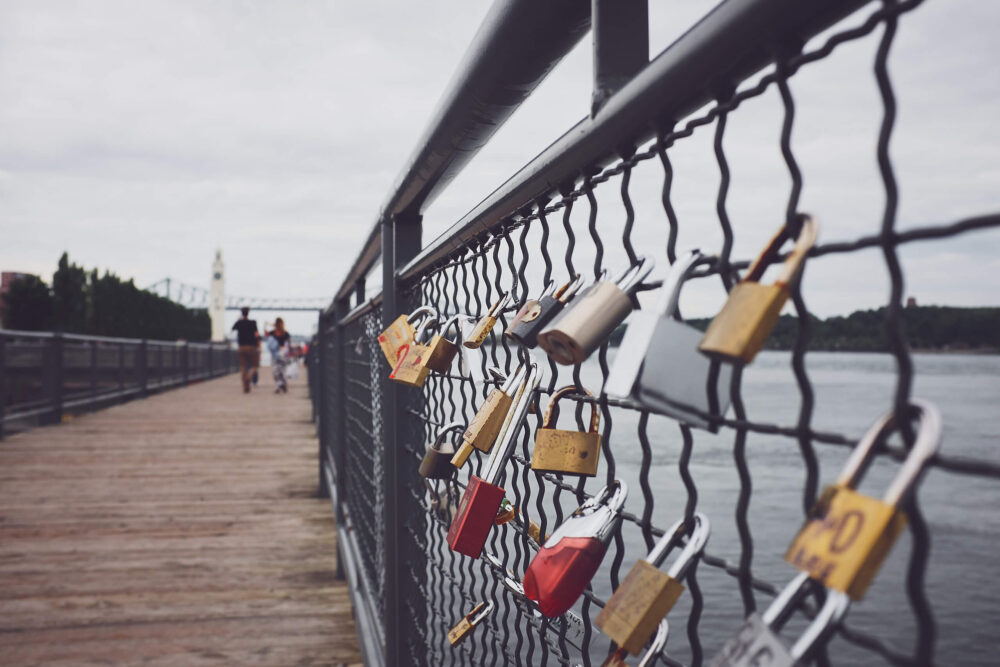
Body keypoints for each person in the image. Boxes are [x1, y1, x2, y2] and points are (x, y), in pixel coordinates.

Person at [231, 306, 259, 393]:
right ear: (248, 313)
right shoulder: (253, 323)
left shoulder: (239, 322)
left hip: (241, 347)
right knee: (254, 366)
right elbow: (257, 335)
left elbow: (232, 329)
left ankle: (245, 387)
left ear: (242, 313)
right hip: (251, 347)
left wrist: (239, 320)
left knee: (243, 367)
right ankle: (249, 377)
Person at [265, 317, 292, 393]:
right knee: (282, 370)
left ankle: (278, 385)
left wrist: (266, 325)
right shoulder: (285, 333)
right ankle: (283, 384)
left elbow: (265, 334)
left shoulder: (273, 332)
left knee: (275, 370)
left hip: (275, 352)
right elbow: (289, 343)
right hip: (283, 352)